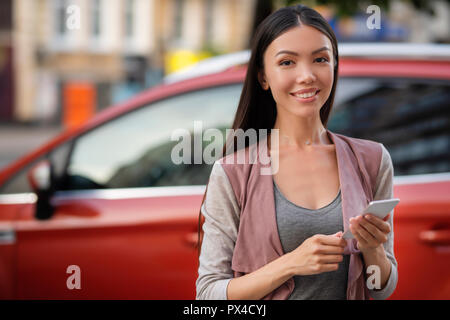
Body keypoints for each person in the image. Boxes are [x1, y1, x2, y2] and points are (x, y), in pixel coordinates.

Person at [196, 4, 398, 300]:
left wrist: (372, 250)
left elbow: (381, 289)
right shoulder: (233, 171)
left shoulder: (372, 160)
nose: (306, 75)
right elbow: (207, 294)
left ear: (334, 66)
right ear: (263, 77)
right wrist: (291, 263)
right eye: (287, 63)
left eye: (320, 59)